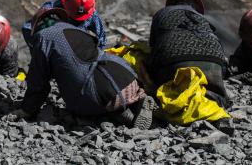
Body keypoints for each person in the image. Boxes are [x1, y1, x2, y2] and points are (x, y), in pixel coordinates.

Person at [14, 8, 155, 129]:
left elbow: (38, 82)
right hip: (126, 76)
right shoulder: (76, 30)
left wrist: (27, 109)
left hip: (99, 92)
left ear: (37, 26)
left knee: (84, 102)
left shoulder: (43, 37)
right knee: (106, 88)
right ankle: (138, 100)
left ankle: (125, 115)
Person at [146, 0, 230, 108]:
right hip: (214, 65)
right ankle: (213, 99)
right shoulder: (203, 19)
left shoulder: (162, 13)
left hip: (174, 63)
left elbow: (152, 46)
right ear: (195, 7)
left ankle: (161, 99)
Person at [22, 0, 106, 50]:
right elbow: (28, 27)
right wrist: (37, 48)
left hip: (77, 51)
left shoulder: (92, 15)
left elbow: (102, 38)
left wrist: (94, 58)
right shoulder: (51, 8)